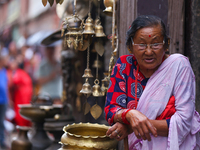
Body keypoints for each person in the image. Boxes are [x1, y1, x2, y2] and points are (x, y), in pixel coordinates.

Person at [104, 15, 200, 150]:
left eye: (155, 44)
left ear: (166, 44)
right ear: (131, 46)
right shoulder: (124, 65)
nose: (149, 51)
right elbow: (111, 110)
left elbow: (184, 121)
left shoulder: (179, 66)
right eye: (142, 44)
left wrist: (131, 126)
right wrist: (130, 114)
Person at [7, 57, 32, 127]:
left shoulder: (21, 74)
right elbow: (12, 83)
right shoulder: (21, 74)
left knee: (23, 117)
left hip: (24, 100)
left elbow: (12, 83)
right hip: (22, 100)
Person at [0, 55, 9, 149]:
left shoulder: (4, 71)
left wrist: (9, 100)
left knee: (2, 122)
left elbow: (6, 87)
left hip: (4, 101)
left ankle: (2, 140)